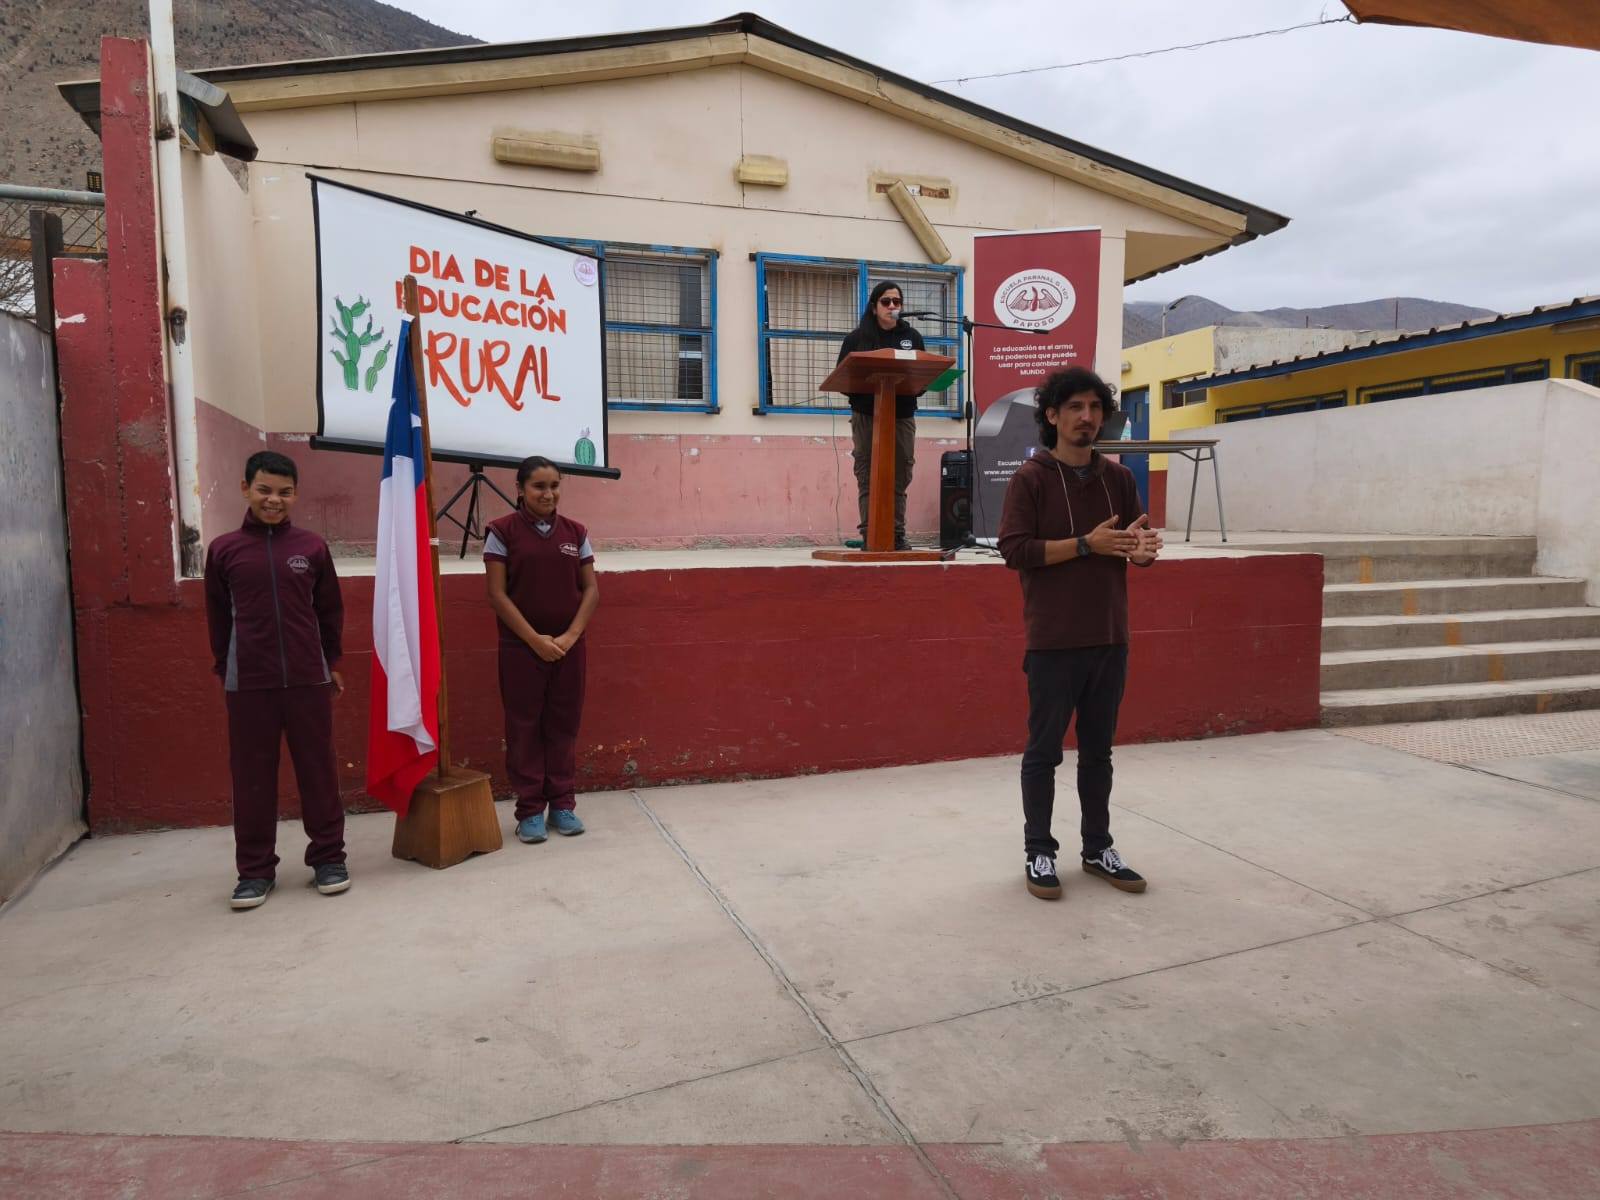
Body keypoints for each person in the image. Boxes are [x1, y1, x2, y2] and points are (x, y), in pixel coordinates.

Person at [997, 367, 1162, 901]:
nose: (1087, 417)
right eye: (1075, 407)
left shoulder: (1119, 479)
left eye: (1095, 407)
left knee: (1099, 754)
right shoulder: (1032, 478)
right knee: (1043, 752)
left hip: (1110, 637)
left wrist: (1141, 555)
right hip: (1052, 641)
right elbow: (1015, 551)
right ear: (1052, 415)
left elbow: (1133, 550)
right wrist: (1087, 544)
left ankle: (1097, 848)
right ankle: (1039, 852)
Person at [204, 451, 347, 910]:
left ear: (295, 495)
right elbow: (216, 620)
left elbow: (329, 612)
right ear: (245, 488)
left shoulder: (311, 548)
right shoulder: (224, 550)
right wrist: (226, 668)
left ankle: (328, 859)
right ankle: (255, 871)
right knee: (251, 778)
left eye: (285, 492)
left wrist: (332, 662)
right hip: (248, 684)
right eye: (264, 490)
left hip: (308, 679)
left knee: (318, 772)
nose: (274, 500)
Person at [484, 456, 600, 844]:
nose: (547, 493)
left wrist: (568, 637)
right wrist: (535, 640)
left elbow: (591, 590)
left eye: (554, 486)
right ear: (520, 489)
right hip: (521, 648)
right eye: (538, 486)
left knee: (563, 725)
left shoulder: (576, 531)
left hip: (569, 648)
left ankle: (563, 804)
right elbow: (498, 595)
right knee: (524, 728)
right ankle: (530, 809)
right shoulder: (502, 532)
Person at [836, 280, 924, 550]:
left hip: (902, 415)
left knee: (900, 474)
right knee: (868, 473)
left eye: (897, 302)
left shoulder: (912, 337)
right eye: (886, 301)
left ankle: (896, 534)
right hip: (867, 415)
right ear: (874, 306)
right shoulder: (857, 339)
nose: (892, 307)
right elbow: (843, 378)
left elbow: (922, 375)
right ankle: (870, 533)